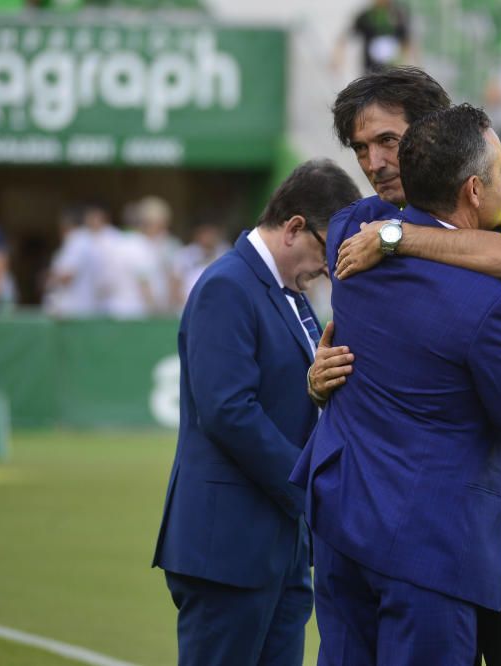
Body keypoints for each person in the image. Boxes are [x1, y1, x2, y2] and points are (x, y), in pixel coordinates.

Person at [309, 66, 501, 666]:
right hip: (439, 519)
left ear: (431, 136)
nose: (374, 162)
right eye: (361, 148)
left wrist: (400, 236)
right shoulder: (355, 227)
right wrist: (317, 374)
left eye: (389, 143)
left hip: (493, 499)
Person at [151, 159, 361, 666]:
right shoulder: (227, 285)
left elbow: (295, 396)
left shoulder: (291, 293)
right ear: (293, 228)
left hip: (282, 545)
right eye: (326, 250)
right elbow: (227, 410)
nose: (330, 268)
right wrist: (306, 487)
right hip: (227, 546)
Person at [333, 0, 411, 73]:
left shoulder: (398, 15)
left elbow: (406, 41)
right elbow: (346, 36)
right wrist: (338, 57)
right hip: (371, 69)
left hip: (393, 67)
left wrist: (408, 63)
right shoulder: (366, 16)